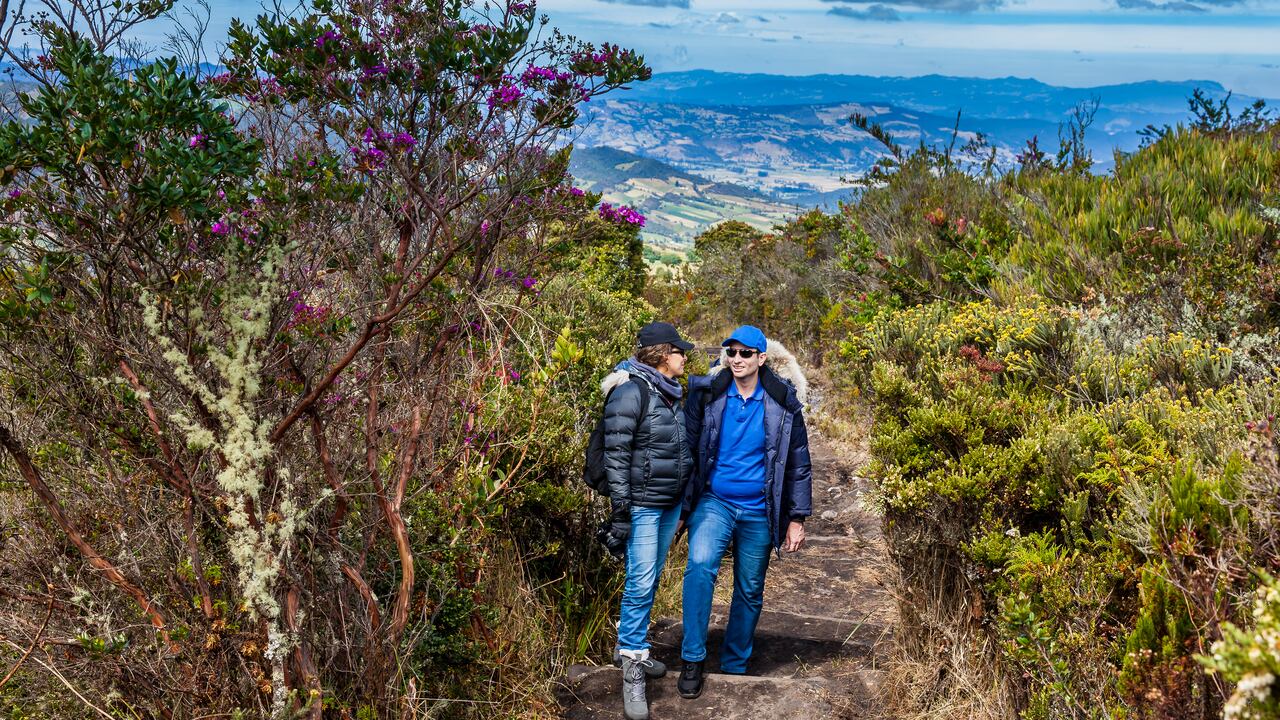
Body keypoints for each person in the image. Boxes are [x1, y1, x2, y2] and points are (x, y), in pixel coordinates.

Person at [676, 325, 813, 699]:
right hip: (714, 502)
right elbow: (688, 451)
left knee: (749, 588)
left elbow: (799, 464)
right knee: (700, 566)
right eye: (731, 353)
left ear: (761, 358)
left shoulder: (783, 402)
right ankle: (692, 659)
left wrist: (796, 518)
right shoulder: (708, 393)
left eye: (744, 353)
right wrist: (682, 506)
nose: (736, 359)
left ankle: (734, 664)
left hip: (759, 509)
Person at [599, 321, 695, 720]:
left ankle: (631, 649)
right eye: (679, 351)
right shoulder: (630, 391)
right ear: (661, 354)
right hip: (642, 506)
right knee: (639, 583)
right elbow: (616, 458)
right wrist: (621, 513)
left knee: (650, 578)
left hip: (668, 503)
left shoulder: (669, 391)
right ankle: (633, 672)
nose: (684, 357)